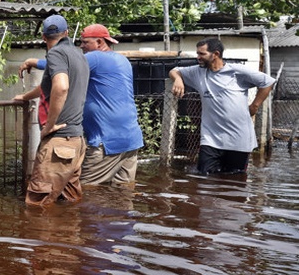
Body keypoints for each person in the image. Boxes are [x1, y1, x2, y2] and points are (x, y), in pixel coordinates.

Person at [16, 23, 144, 187]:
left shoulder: (95, 58)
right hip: (131, 140)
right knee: (121, 194)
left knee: (84, 191)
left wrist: (31, 63)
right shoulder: (122, 60)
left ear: (99, 42)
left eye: (85, 42)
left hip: (106, 141)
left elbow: (59, 69)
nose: (81, 46)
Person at [168, 38, 275, 175]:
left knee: (235, 181)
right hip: (211, 139)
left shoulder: (236, 72)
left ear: (216, 54)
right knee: (204, 179)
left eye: (202, 54)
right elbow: (174, 70)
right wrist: (178, 79)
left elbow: (267, 82)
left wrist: (255, 106)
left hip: (239, 138)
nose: (198, 57)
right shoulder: (197, 72)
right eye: (197, 53)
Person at [24, 14, 88, 207]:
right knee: (69, 202)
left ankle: (46, 237)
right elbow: (52, 86)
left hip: (59, 142)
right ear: (67, 33)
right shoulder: (80, 55)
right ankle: (69, 236)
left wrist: (49, 125)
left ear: (44, 37)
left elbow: (60, 87)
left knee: (36, 205)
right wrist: (24, 97)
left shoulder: (55, 54)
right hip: (77, 141)